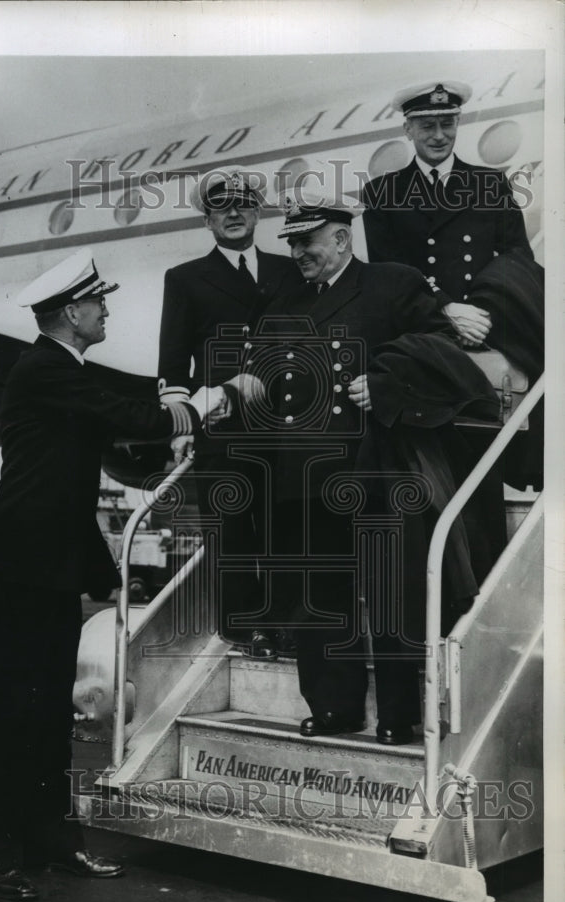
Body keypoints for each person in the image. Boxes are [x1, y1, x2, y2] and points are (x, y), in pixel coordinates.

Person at [0, 249, 234, 902]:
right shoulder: (47, 369)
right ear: (71, 312)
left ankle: (50, 840)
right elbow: (133, 418)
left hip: (47, 565)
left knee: (47, 712)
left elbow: (100, 448)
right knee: (11, 713)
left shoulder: (63, 371)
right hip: (21, 570)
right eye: (99, 302)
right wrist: (206, 403)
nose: (107, 309)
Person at [249, 184, 502, 746]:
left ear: (342, 238)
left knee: (390, 592)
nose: (298, 254)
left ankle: (398, 713)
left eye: (307, 242)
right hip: (303, 474)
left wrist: (386, 383)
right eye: (292, 244)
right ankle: (334, 706)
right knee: (318, 597)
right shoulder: (284, 305)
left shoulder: (392, 284)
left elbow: (441, 348)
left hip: (374, 466)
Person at [157, 165, 303, 659]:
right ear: (208, 220)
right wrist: (180, 424)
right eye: (222, 207)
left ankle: (288, 621)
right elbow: (173, 361)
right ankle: (246, 627)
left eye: (243, 204)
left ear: (258, 211)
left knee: (286, 523)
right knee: (234, 527)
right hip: (224, 422)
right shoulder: (184, 279)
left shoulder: (289, 270)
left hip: (285, 422)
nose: (234, 213)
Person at [361, 81, 533, 348]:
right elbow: (387, 273)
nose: (439, 135)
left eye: (447, 124)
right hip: (422, 328)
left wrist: (481, 313)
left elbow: (518, 257)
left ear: (457, 123)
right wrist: (446, 308)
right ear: (408, 129)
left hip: (486, 323)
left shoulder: (490, 183)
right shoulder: (381, 193)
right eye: (428, 126)